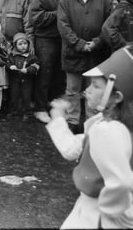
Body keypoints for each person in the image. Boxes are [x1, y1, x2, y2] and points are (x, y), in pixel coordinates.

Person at [46, 46, 133, 229]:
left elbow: (122, 182)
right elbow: (74, 149)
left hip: (97, 216)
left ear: (117, 97)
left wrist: (112, 213)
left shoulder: (108, 130)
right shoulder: (106, 124)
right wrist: (59, 118)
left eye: (96, 86)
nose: (88, 90)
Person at [57, 0, 112, 134]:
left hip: (96, 53)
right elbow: (63, 25)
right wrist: (79, 44)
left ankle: (92, 121)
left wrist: (96, 42)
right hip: (73, 51)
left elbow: (109, 24)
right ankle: (73, 120)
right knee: (72, 89)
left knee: (94, 89)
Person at [28, 0, 67, 123]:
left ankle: (54, 106)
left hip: (62, 38)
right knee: (44, 74)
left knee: (59, 74)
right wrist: (57, 13)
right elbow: (34, 18)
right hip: (45, 40)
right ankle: (40, 108)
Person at [6, 33, 40, 122]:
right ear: (15, 45)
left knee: (26, 97)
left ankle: (26, 113)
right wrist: (10, 66)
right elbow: (6, 63)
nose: (23, 46)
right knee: (14, 96)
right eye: (20, 44)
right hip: (15, 80)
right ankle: (14, 111)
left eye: (25, 43)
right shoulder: (12, 56)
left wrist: (28, 70)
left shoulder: (31, 57)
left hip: (27, 81)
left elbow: (36, 66)